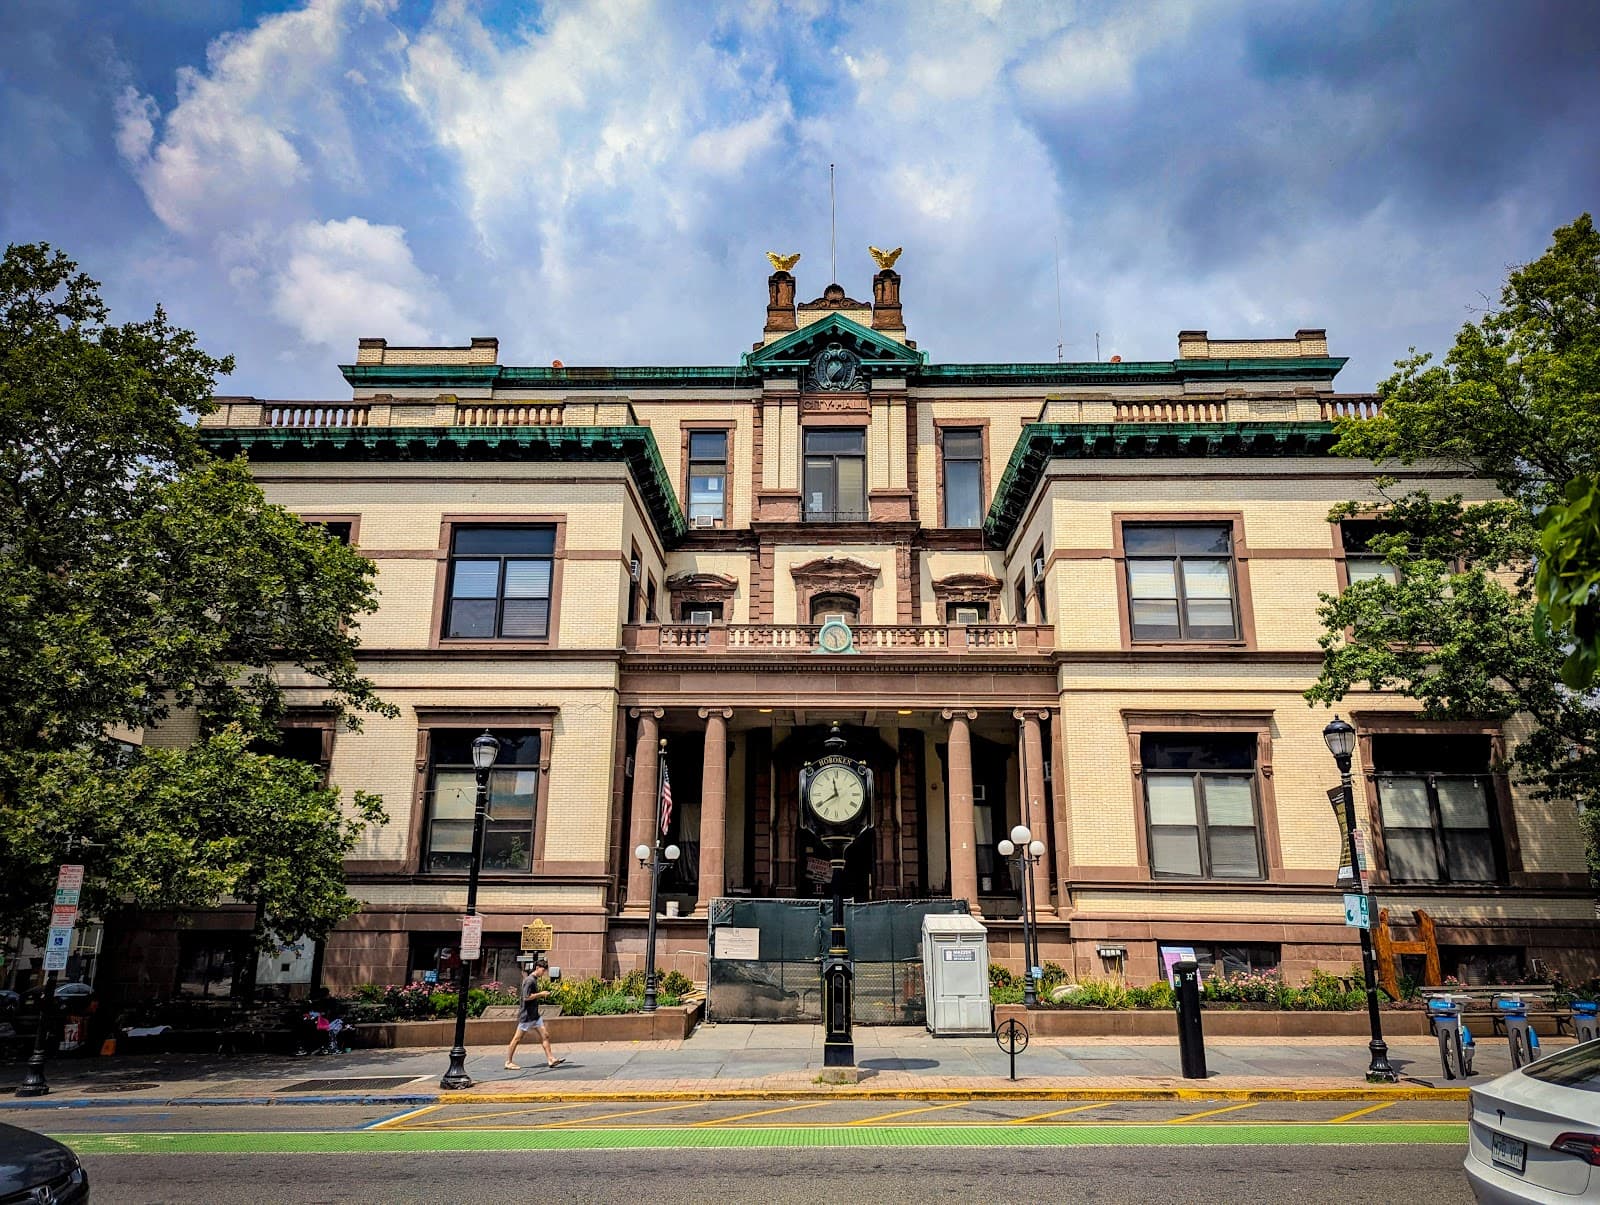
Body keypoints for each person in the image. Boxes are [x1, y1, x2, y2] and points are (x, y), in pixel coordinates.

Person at [505, 959, 563, 1070]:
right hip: (526, 1016)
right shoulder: (529, 981)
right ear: (537, 968)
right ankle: (508, 1061)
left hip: (534, 1015)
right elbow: (526, 997)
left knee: (545, 1035)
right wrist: (541, 994)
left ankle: (551, 1059)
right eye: (543, 970)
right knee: (517, 1038)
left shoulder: (534, 979)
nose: (543, 973)